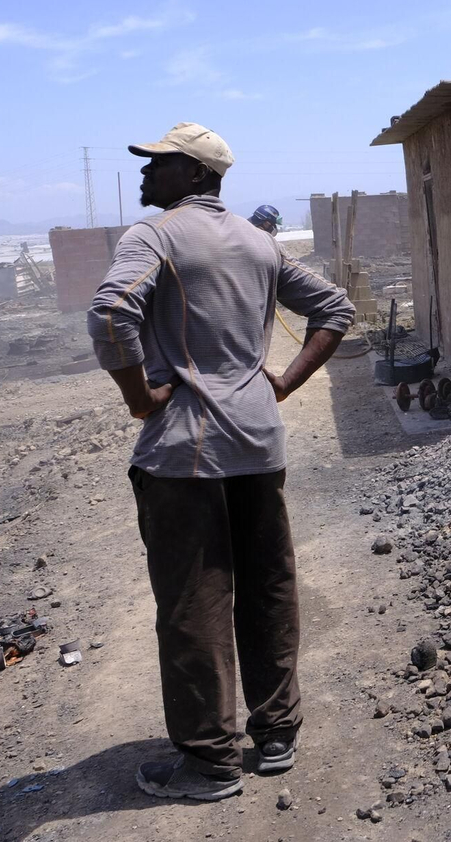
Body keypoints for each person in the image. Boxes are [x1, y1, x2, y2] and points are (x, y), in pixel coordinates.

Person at [87, 122, 355, 801]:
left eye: (160, 163)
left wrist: (139, 396)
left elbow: (112, 308)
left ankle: (209, 763)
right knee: (268, 585)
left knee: (193, 603)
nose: (146, 174)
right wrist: (284, 383)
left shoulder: (154, 237)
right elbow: (335, 307)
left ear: (197, 174)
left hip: (184, 456)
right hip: (258, 446)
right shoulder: (257, 243)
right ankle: (276, 732)